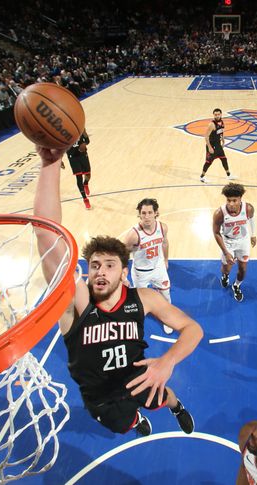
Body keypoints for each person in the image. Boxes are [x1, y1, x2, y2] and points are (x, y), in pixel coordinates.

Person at [33, 146, 202, 437]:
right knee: (125, 425)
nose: (100, 270)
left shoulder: (143, 298)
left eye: (109, 265)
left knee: (164, 395)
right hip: (100, 396)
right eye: (95, 264)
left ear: (124, 272)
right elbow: (46, 235)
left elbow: (192, 328)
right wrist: (50, 162)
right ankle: (136, 421)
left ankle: (177, 407)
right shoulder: (76, 301)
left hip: (139, 377)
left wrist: (167, 361)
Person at [122, 198, 174, 335]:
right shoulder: (133, 235)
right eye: (143, 213)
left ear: (156, 213)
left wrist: (166, 260)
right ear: (139, 215)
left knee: (166, 294)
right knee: (142, 300)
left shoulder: (162, 227)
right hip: (141, 272)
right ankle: (138, 318)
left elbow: (165, 243)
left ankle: (166, 318)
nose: (146, 217)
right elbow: (122, 256)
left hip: (158, 268)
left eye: (150, 212)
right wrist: (123, 276)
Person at [213, 183, 256, 302]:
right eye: (228, 200)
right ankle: (225, 276)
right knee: (226, 268)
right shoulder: (219, 213)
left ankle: (236, 285)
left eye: (234, 200)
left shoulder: (248, 208)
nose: (231, 204)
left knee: (243, 269)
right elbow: (216, 233)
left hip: (243, 241)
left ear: (240, 199)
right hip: (228, 242)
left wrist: (253, 235)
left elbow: (252, 219)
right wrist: (226, 252)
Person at [200, 108, 234, 183]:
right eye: (216, 115)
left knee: (224, 159)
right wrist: (209, 147)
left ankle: (228, 175)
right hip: (212, 146)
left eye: (218, 114)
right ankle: (202, 177)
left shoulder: (222, 122)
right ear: (213, 115)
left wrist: (223, 140)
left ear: (221, 114)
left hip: (218, 145)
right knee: (208, 162)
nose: (217, 116)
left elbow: (221, 132)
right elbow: (206, 136)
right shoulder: (211, 124)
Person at [66, 132, 92, 210]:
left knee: (88, 175)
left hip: (83, 155)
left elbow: (87, 140)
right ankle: (85, 199)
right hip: (73, 158)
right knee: (79, 177)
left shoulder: (80, 128)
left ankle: (86, 183)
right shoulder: (63, 133)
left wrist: (84, 143)